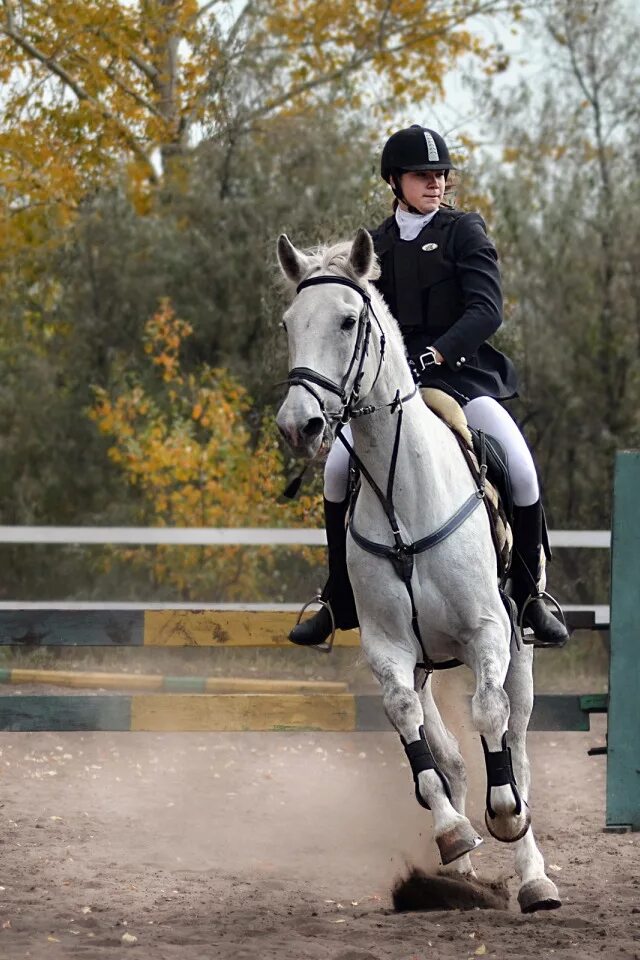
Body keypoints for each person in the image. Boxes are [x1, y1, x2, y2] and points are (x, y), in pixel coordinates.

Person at [289, 124, 568, 649]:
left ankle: (531, 596)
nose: (435, 183)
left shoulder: (465, 232)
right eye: (423, 175)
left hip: (462, 377)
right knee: (336, 469)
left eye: (441, 175)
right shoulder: (374, 246)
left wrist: (436, 352)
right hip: (393, 390)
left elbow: (486, 310)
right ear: (395, 180)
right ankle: (337, 597)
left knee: (522, 468)